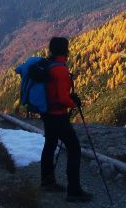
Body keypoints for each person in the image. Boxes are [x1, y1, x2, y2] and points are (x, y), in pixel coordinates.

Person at [41, 37, 93, 202]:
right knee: (74, 148)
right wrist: (74, 103)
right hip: (58, 115)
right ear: (65, 50)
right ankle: (74, 191)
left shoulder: (47, 65)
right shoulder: (61, 70)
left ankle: (47, 181)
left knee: (50, 144)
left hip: (47, 113)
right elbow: (63, 99)